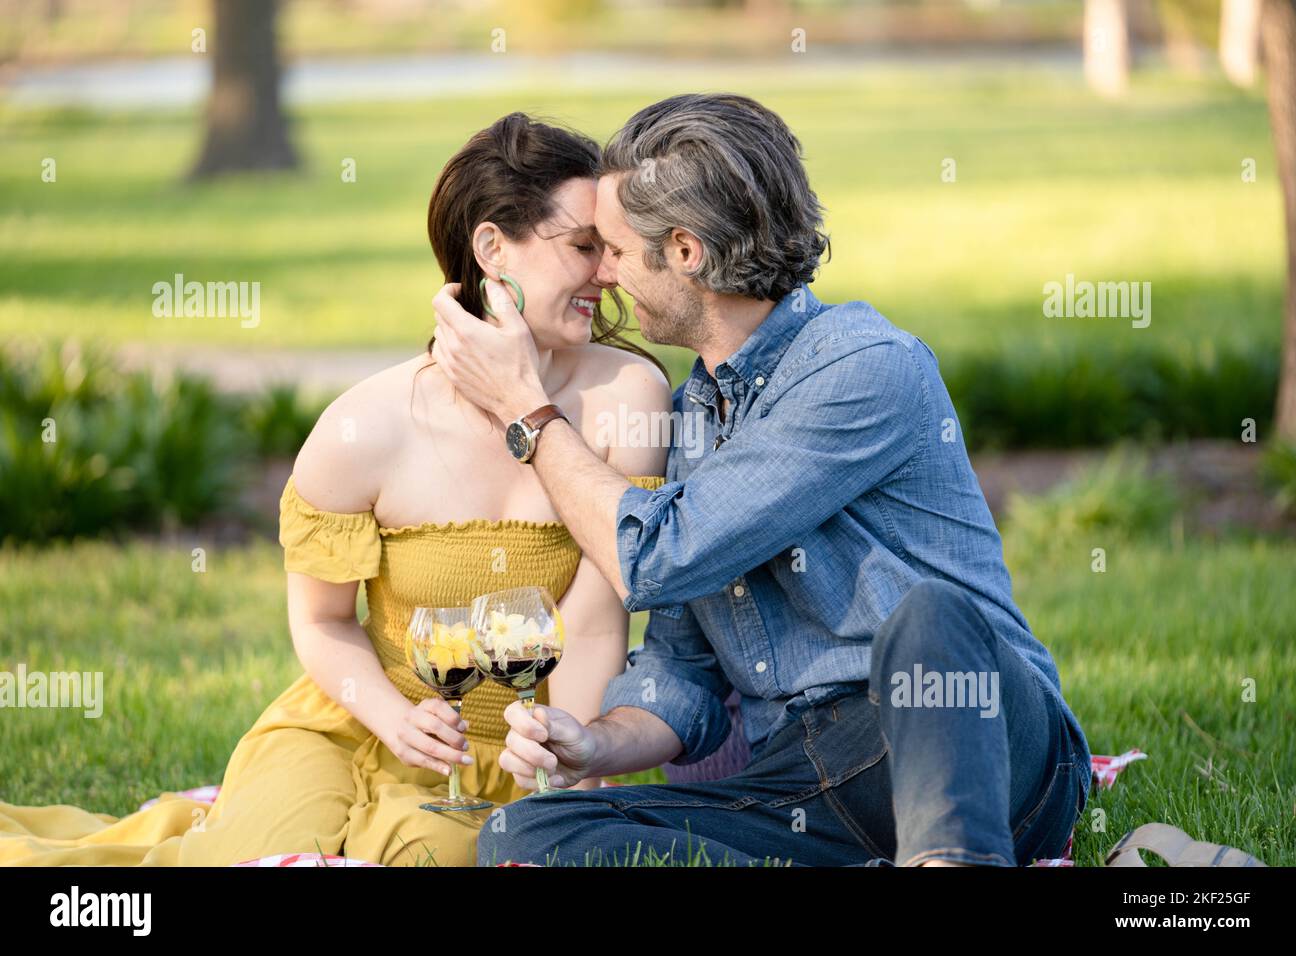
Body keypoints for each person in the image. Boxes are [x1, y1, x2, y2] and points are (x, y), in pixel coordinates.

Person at [429, 93, 1094, 867]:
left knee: (930, 621)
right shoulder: (691, 419)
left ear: (685, 252)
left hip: (982, 747)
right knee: (527, 833)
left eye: (612, 248)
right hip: (807, 784)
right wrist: (593, 743)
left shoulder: (863, 365)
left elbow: (657, 556)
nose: (603, 275)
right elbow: (681, 674)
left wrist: (527, 410)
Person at [0, 113, 670, 867]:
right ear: (491, 247)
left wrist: (565, 771)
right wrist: (392, 717)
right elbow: (323, 621)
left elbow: (592, 618)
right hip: (356, 720)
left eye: (610, 250)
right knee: (250, 857)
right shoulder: (368, 426)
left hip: (520, 750)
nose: (608, 274)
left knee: (432, 854)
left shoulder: (629, 396)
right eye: (585, 247)